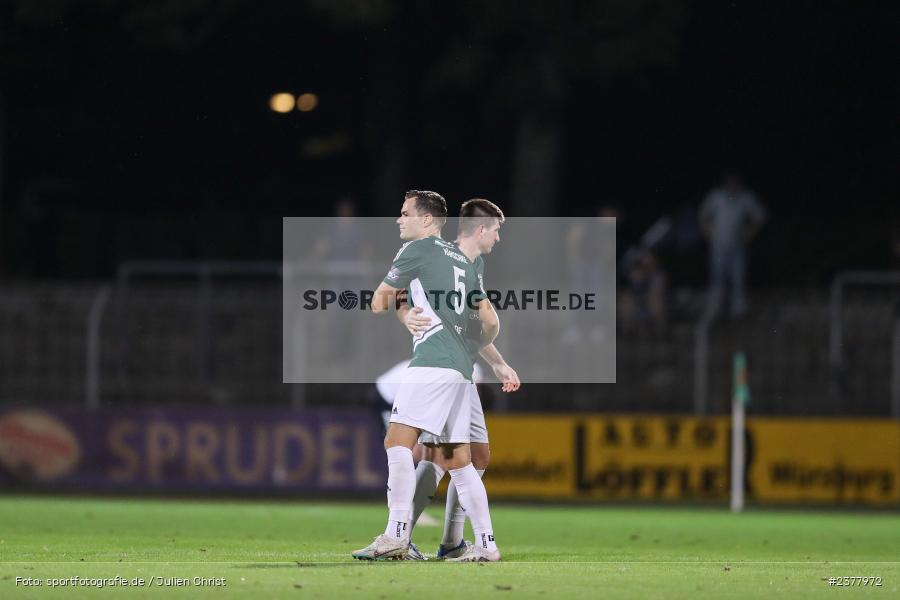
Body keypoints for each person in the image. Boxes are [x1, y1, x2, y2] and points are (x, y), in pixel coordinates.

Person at [352, 191, 514, 562]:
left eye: (405, 213)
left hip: (432, 363)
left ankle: (395, 536)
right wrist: (483, 352)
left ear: (427, 220)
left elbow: (380, 300)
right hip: (461, 370)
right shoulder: (461, 261)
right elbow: (487, 321)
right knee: (458, 459)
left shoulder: (420, 250)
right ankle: (484, 545)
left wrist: (396, 309)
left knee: (397, 442)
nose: (399, 219)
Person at [395, 198, 519, 561]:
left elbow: (468, 330)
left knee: (476, 456)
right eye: (496, 230)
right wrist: (404, 316)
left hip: (461, 369)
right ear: (481, 230)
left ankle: (450, 541)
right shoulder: (436, 254)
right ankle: (403, 537)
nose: (498, 238)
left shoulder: (473, 264)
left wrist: (497, 364)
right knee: (438, 456)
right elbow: (397, 292)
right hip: (440, 369)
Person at [699, 172, 766, 318]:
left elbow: (760, 215)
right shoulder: (716, 196)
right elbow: (703, 214)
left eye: (735, 183)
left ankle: (739, 312)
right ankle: (716, 309)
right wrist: (707, 232)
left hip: (738, 246)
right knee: (717, 278)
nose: (732, 186)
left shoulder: (745, 198)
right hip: (718, 246)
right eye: (730, 182)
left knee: (738, 279)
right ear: (725, 183)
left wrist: (750, 232)